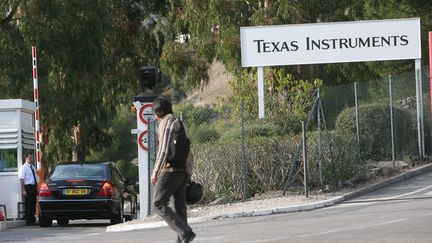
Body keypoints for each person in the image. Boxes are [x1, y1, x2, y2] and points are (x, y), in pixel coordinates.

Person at [151, 96, 196, 243]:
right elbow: (189, 151)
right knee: (180, 208)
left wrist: (155, 172)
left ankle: (185, 231)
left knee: (158, 203)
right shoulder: (181, 123)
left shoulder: (166, 122)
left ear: (158, 114)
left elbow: (163, 150)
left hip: (169, 171)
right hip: (182, 171)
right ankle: (183, 237)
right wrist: (188, 174)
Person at [19, 152, 38, 226]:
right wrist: (23, 190)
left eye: (32, 157)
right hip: (27, 187)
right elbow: (21, 179)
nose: (31, 159)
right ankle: (28, 221)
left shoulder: (32, 167)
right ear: (26, 158)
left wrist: (36, 188)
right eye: (30, 157)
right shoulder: (23, 168)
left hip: (33, 187)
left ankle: (33, 220)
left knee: (33, 204)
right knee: (29, 204)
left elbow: (35, 178)